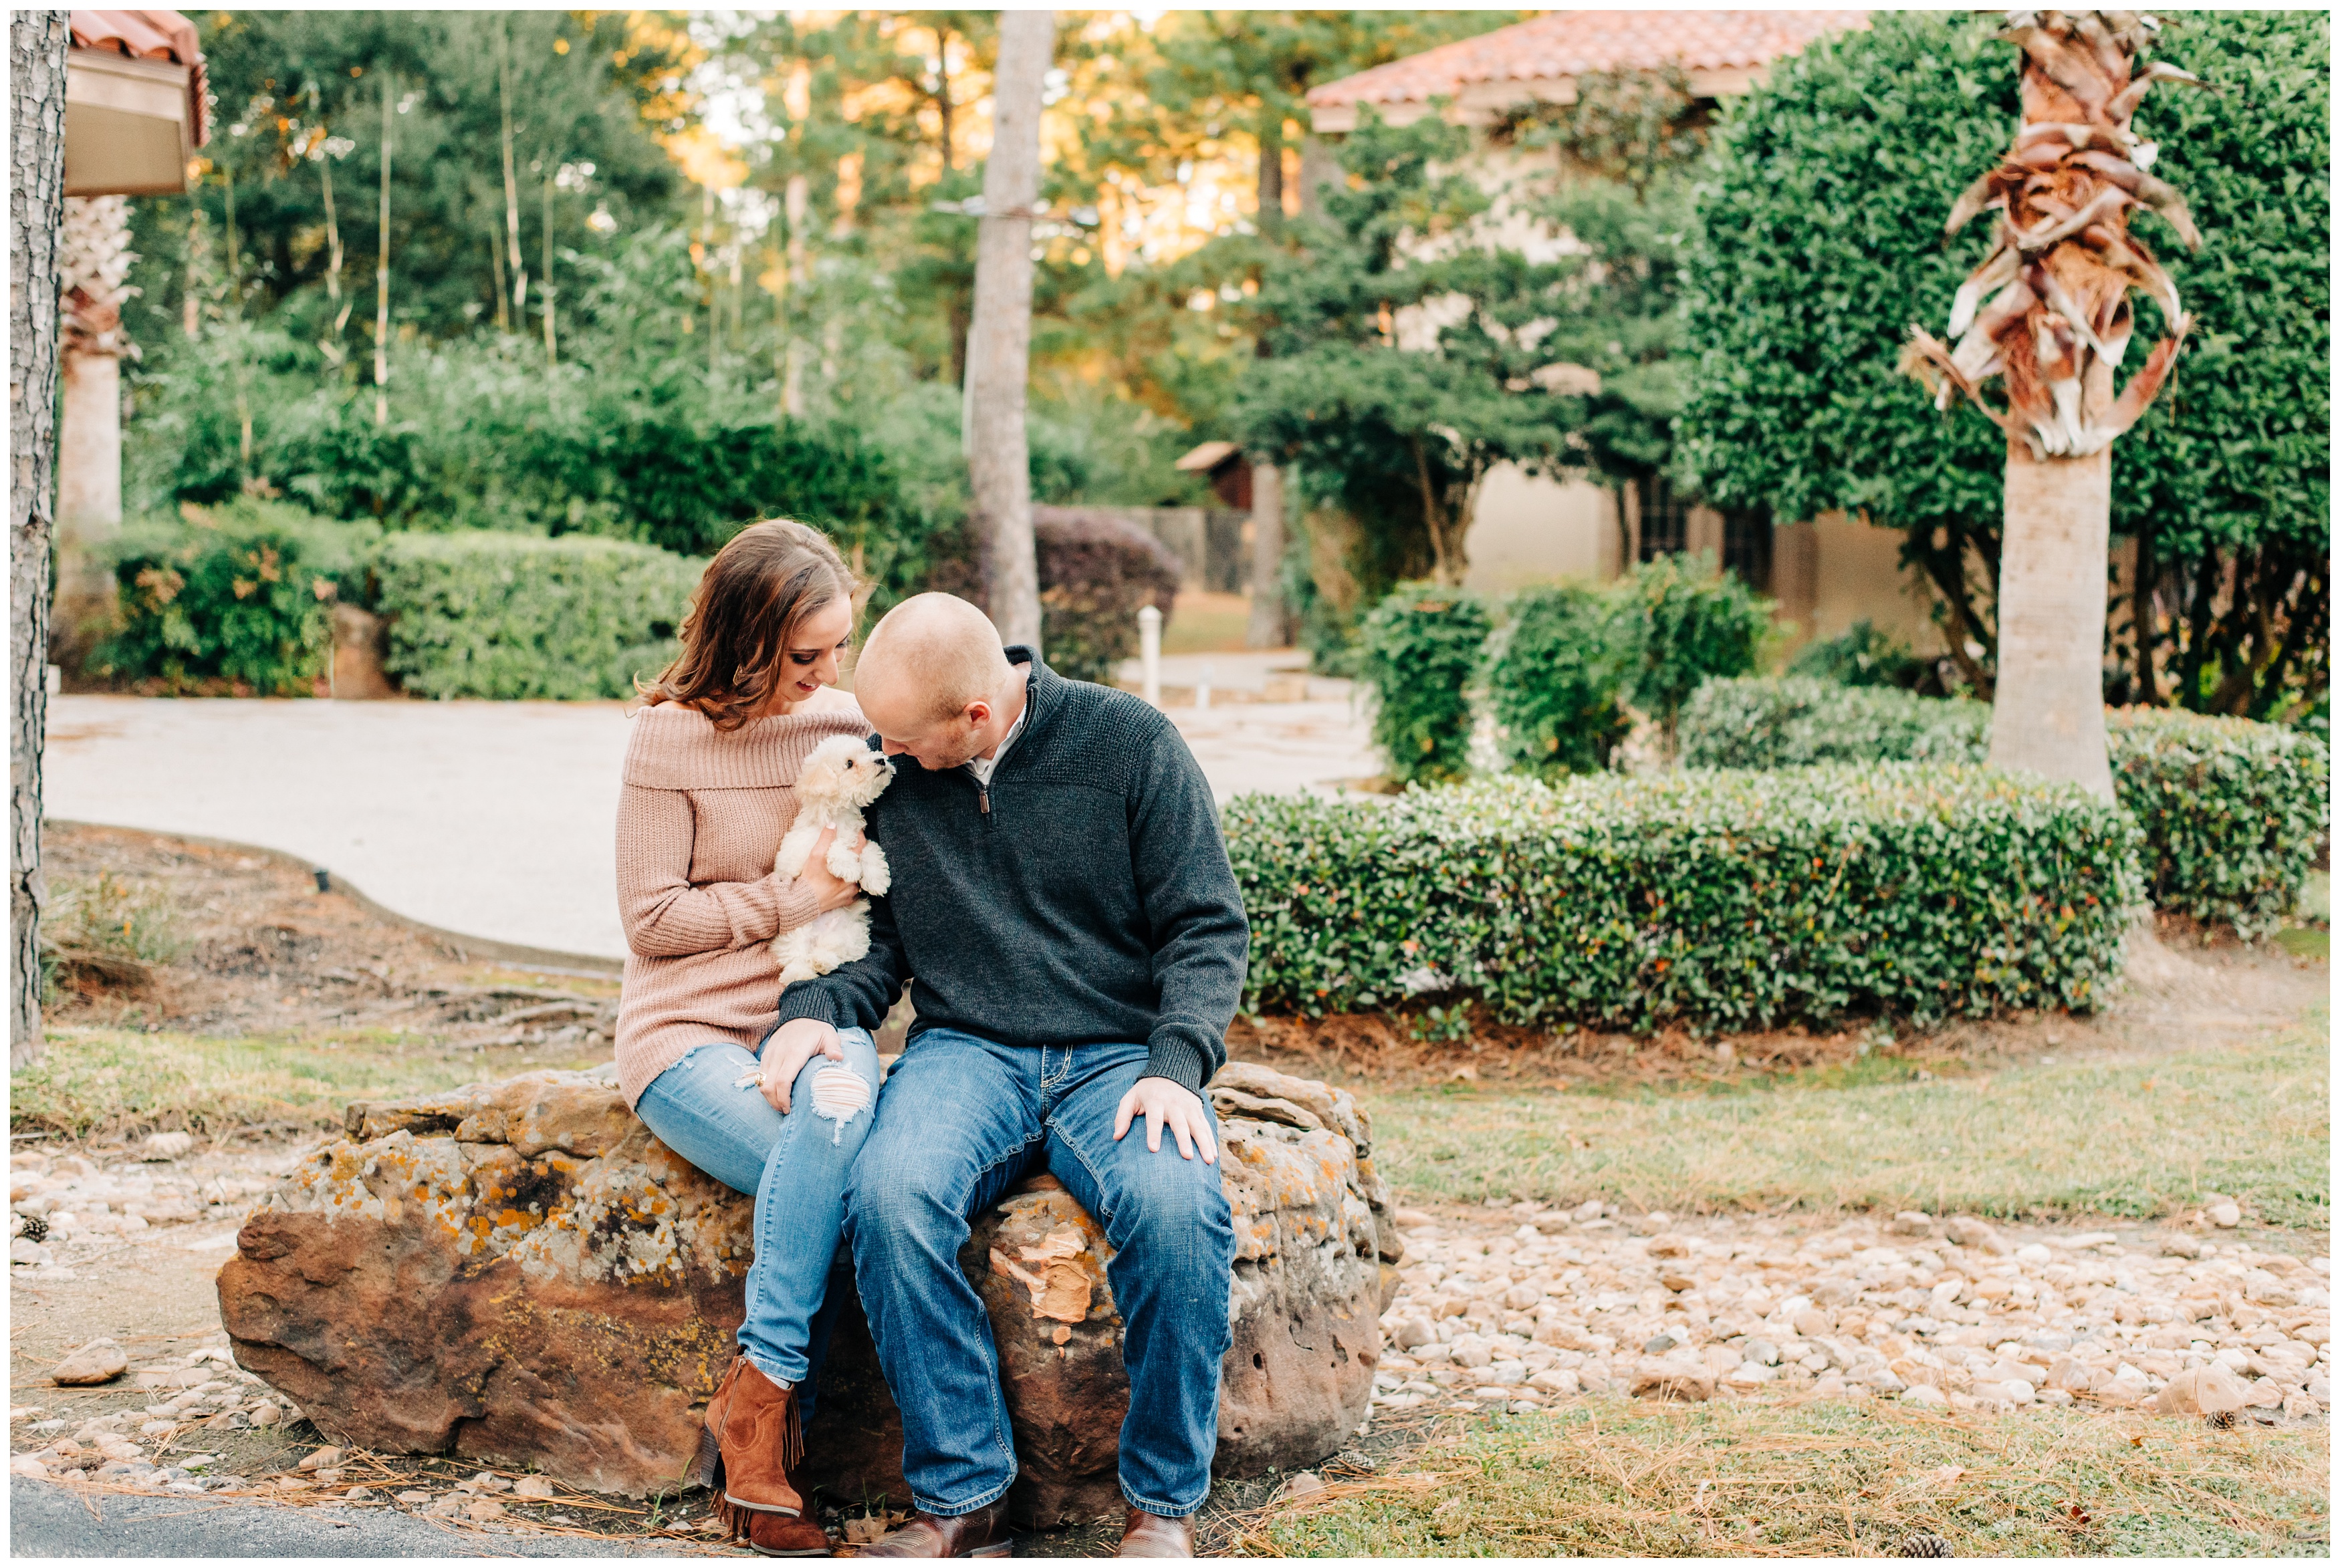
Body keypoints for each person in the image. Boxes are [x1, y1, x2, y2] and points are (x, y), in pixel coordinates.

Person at [762, 593, 1248, 1560]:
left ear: (976, 716)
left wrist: (1177, 1062)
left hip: (1117, 1054)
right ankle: (965, 1497)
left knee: (1179, 1207)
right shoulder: (897, 770)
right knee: (890, 1194)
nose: (884, 753)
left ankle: (1159, 1510)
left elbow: (1206, 925)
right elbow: (880, 939)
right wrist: (808, 1014)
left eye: (904, 737)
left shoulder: (1130, 744)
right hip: (966, 1051)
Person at [612, 519, 877, 1557]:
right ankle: (765, 1411)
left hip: (819, 1010)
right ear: (743, 638)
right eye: (803, 655)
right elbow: (651, 920)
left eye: (839, 650)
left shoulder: (850, 722)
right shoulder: (667, 737)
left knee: (844, 1130)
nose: (827, 677)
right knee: (840, 1178)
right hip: (687, 1034)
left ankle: (754, 1399)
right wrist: (783, 898)